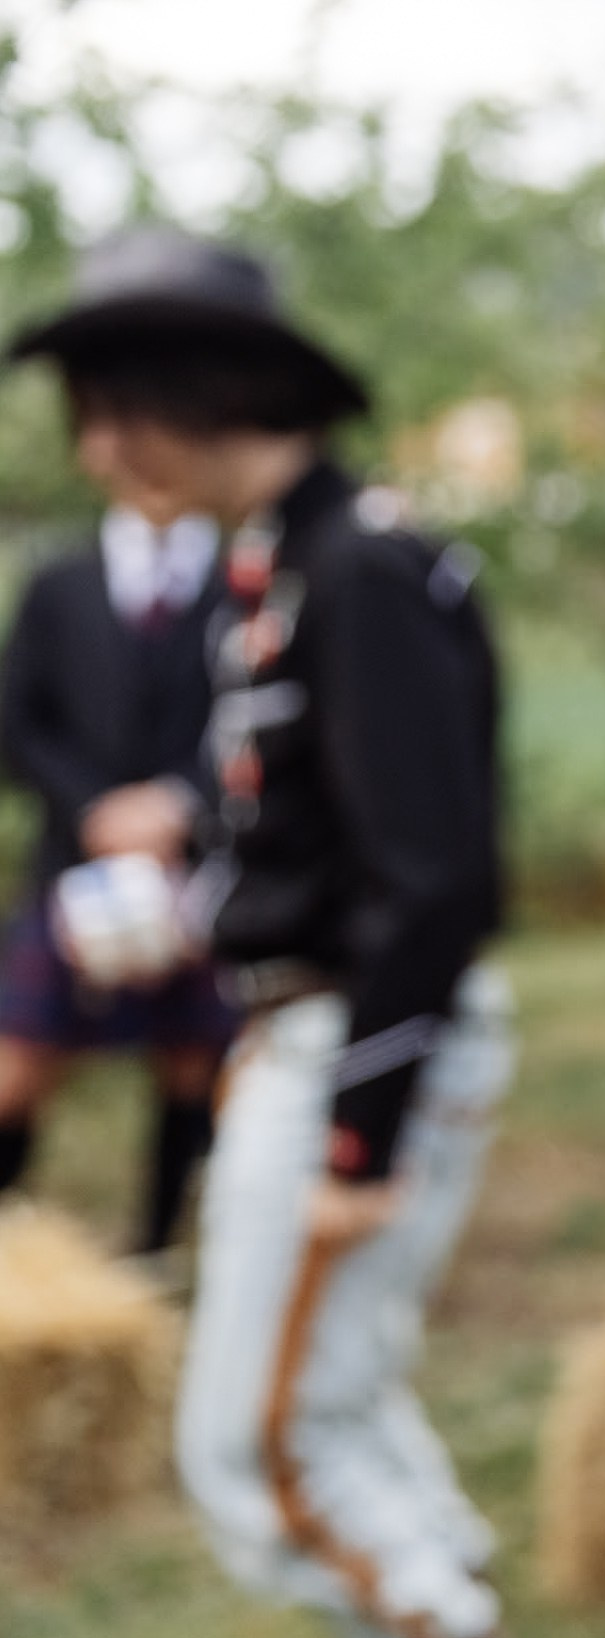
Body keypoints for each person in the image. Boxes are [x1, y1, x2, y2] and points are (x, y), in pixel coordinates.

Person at [5, 227, 515, 1638]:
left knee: (258, 1449)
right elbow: (321, 828)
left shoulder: (357, 567)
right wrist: (204, 874)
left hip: (363, 1040)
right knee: (331, 1404)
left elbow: (434, 878)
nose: (95, 449)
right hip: (300, 1021)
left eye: (113, 409)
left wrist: (361, 1128)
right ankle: (452, 1622)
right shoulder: (274, 560)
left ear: (203, 390)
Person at [0, 416, 234, 1253]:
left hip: (198, 865)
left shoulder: (244, 581)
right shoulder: (58, 581)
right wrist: (96, 809)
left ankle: (156, 1249)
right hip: (73, 864)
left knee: (192, 1062)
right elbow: (17, 722)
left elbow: (266, 720)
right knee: (17, 1063)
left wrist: (181, 803)